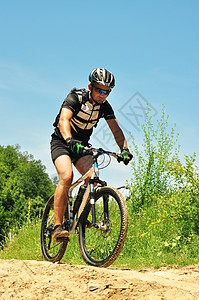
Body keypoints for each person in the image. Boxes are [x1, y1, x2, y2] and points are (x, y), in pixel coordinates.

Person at [50, 68, 133, 242]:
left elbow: (116, 130)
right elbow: (63, 120)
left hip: (82, 146)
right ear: (90, 86)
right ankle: (57, 226)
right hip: (62, 142)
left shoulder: (104, 107)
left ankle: (80, 213)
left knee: (92, 178)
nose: (102, 94)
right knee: (66, 176)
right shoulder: (76, 98)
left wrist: (124, 149)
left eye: (107, 91)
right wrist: (69, 140)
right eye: (99, 89)